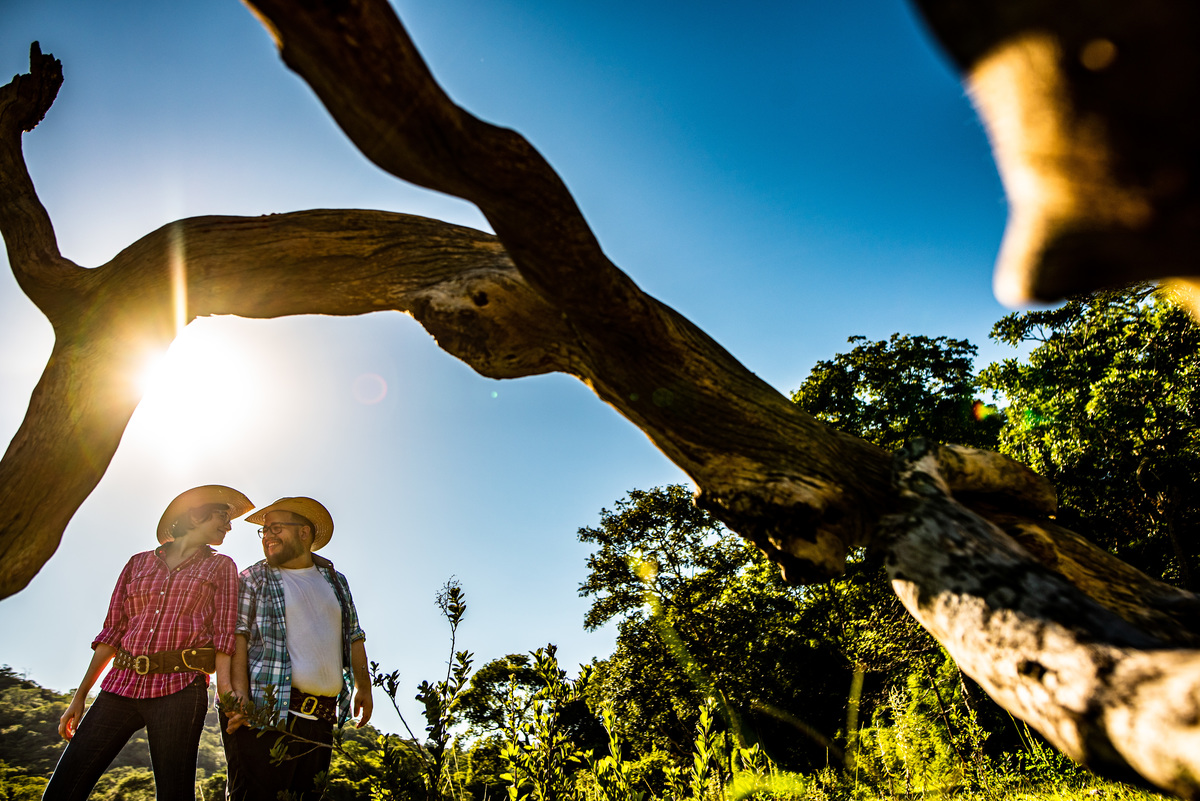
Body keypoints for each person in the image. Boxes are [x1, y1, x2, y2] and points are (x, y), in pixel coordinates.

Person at [42, 485, 253, 801]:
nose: (229, 525)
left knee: (174, 795)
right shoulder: (137, 564)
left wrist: (226, 693)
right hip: (119, 687)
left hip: (180, 689)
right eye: (223, 516)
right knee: (61, 791)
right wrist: (80, 696)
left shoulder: (221, 566)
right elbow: (112, 633)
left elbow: (224, 637)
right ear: (196, 514)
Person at [221, 496, 372, 801]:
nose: (267, 537)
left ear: (304, 532)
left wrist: (363, 685)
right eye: (264, 531)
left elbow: (354, 635)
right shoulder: (253, 579)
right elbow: (237, 636)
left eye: (276, 528)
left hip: (321, 722)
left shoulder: (335, 580)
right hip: (265, 714)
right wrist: (239, 695)